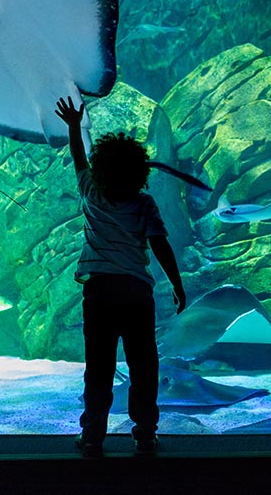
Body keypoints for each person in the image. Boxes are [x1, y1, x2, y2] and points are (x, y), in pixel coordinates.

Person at [54, 96, 187, 458]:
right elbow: (160, 245)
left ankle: (93, 434)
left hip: (99, 291)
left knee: (99, 366)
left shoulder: (92, 192)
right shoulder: (144, 204)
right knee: (144, 364)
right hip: (135, 292)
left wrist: (72, 125)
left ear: (100, 168)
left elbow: (78, 158)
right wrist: (176, 284)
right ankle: (145, 433)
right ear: (140, 172)